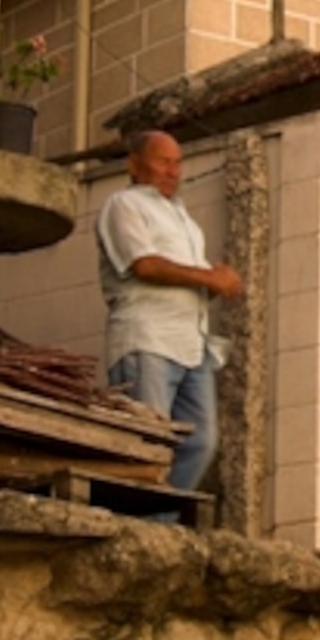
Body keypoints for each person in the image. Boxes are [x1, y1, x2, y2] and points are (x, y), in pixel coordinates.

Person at [96, 131, 242, 493]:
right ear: (134, 164)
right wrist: (208, 276)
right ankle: (145, 528)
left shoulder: (185, 220)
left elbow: (187, 281)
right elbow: (144, 266)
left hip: (192, 346)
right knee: (149, 442)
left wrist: (216, 284)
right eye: (163, 161)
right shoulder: (123, 204)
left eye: (177, 163)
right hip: (148, 339)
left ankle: (158, 522)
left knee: (201, 442)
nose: (173, 171)